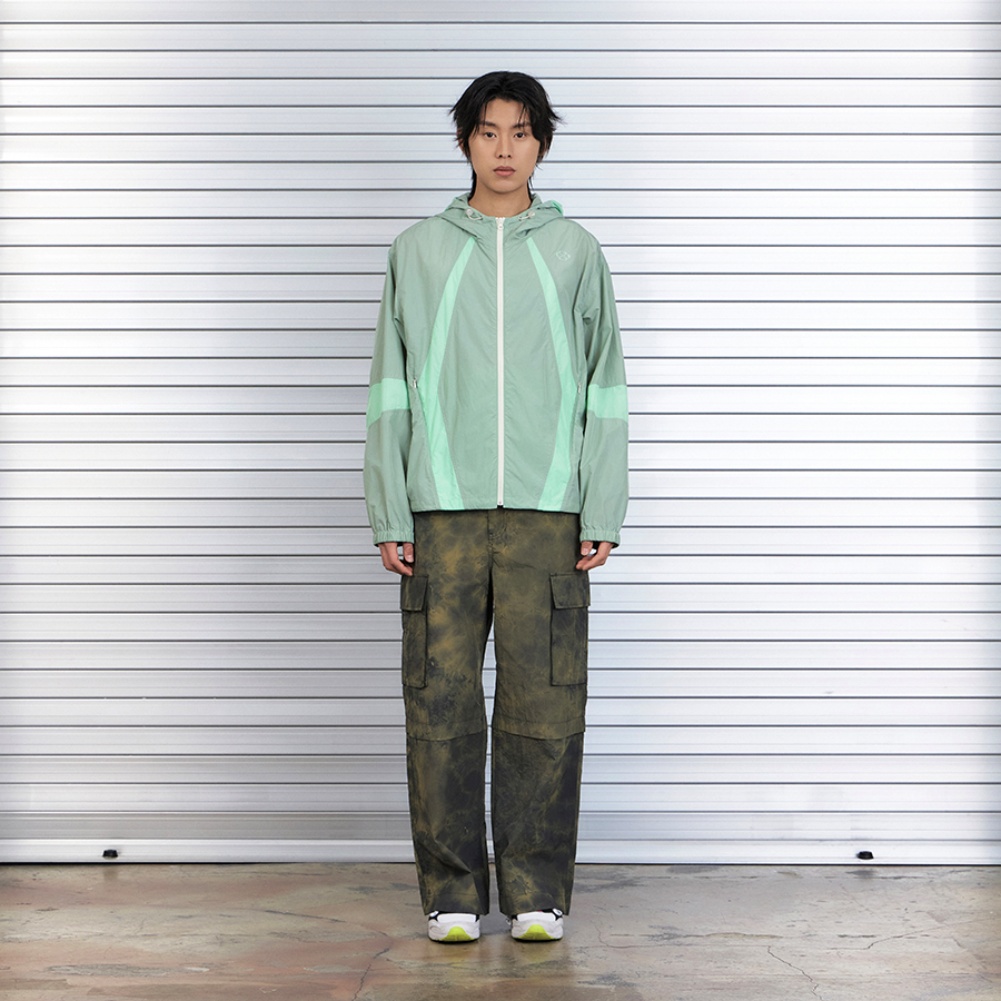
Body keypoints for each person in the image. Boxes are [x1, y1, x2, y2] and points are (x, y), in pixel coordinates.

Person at [363, 70, 628, 944]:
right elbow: (390, 387)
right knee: (439, 709)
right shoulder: (418, 252)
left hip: (548, 516)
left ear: (541, 143)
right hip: (438, 513)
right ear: (464, 142)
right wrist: (389, 509)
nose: (504, 149)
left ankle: (535, 893)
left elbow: (605, 389)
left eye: (520, 132)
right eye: (487, 131)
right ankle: (451, 895)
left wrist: (600, 505)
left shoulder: (576, 252)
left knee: (544, 709)